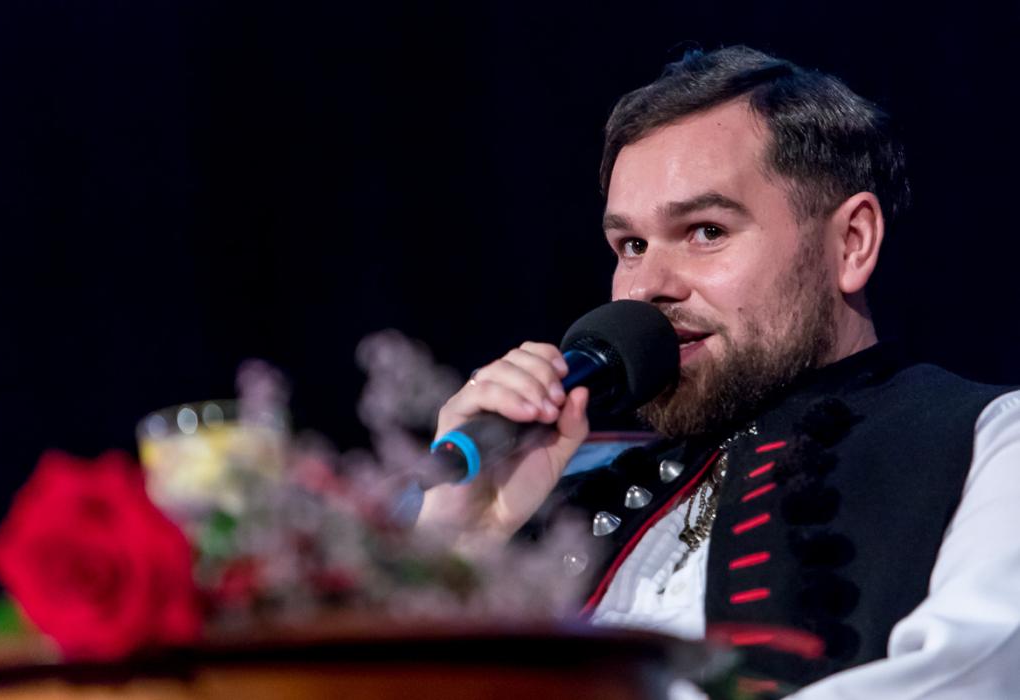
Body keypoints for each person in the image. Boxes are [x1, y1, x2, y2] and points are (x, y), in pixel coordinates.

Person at [417, 46, 1020, 698]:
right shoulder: (563, 482)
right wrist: (460, 543)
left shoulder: (989, 442)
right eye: (632, 245)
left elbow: (973, 677)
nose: (647, 287)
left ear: (851, 243)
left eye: (706, 231)